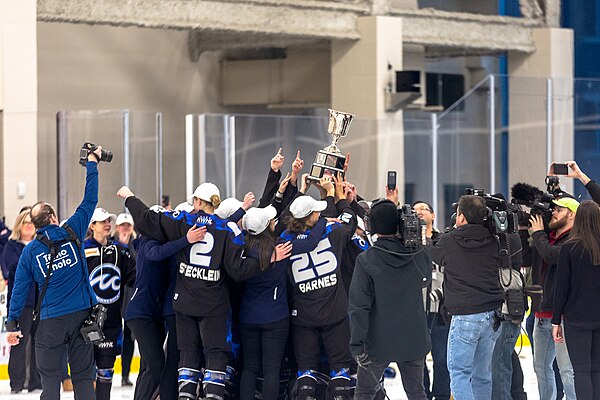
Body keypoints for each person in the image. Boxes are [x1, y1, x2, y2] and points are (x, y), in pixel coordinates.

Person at [117, 182, 261, 400]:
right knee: (214, 353)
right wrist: (266, 259)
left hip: (183, 304)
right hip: (213, 304)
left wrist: (129, 197)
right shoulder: (227, 228)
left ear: (197, 202)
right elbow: (238, 270)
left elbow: (148, 219)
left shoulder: (183, 222)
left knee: (187, 356)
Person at [5, 146, 104, 400]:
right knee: (83, 378)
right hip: (82, 317)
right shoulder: (73, 230)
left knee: (50, 384)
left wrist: (12, 322)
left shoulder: (30, 252)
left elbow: (19, 288)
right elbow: (90, 199)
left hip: (50, 323)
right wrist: (92, 164)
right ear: (53, 217)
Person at [281, 174, 357, 400]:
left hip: (303, 315)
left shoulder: (284, 239)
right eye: (316, 212)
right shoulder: (332, 232)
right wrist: (337, 197)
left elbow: (284, 219)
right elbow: (349, 220)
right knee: (340, 367)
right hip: (335, 314)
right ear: (312, 217)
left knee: (306, 370)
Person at [349, 199, 431, 400]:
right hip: (413, 338)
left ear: (372, 226)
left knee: (365, 392)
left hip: (378, 342)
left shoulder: (366, 260)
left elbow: (359, 306)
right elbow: (426, 280)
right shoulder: (418, 253)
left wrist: (357, 345)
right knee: (416, 393)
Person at [429, 195, 504, 400]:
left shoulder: (448, 241)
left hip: (465, 316)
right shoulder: (494, 240)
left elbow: (432, 255)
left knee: (460, 374)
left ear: (460, 217)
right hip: (491, 316)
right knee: (482, 375)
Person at [126, 223, 206, 400]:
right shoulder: (149, 243)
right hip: (142, 313)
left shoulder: (155, 244)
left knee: (148, 365)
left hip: (151, 314)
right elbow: (157, 254)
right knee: (156, 364)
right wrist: (186, 239)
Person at [84, 207, 137, 400]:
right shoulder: (83, 250)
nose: (108, 224)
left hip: (112, 321)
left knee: (106, 369)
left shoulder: (119, 251)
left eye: (109, 221)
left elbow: (134, 277)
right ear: (92, 226)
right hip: (87, 321)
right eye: (102, 221)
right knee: (86, 369)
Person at [529, 196, 579, 400]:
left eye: (559, 210)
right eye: (554, 209)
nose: (554, 213)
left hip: (563, 317)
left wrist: (539, 233)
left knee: (567, 371)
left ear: (572, 214)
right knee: (540, 368)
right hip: (541, 313)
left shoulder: (574, 240)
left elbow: (551, 256)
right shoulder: (546, 237)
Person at [552, 200, 600, 399]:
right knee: (597, 370)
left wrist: (556, 321)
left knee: (581, 371)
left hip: (576, 319)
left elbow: (561, 288)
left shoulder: (569, 248)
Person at [412, 200, 450, 400]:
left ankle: (442, 395)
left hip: (440, 309)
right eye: (415, 210)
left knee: (442, 358)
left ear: (433, 216)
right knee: (417, 359)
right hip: (416, 310)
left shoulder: (443, 240)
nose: (418, 212)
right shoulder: (407, 243)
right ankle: (422, 394)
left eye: (423, 209)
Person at [3, 207, 42, 393]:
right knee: (19, 343)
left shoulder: (40, 245)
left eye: (32, 223)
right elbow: (14, 267)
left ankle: (35, 382)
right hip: (21, 304)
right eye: (25, 222)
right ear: (19, 225)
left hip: (40, 302)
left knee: (38, 343)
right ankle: (16, 383)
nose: (29, 226)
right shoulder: (11, 246)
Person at [113, 212, 137, 387]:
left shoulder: (136, 245)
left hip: (131, 295)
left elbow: (135, 265)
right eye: (122, 226)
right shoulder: (112, 245)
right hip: (115, 295)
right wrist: (121, 245)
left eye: (128, 226)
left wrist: (126, 246)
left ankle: (125, 374)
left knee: (130, 337)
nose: (125, 229)